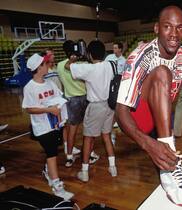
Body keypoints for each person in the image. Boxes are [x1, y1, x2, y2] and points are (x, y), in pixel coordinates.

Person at [116, 6, 182, 206]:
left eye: (180, 28)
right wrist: (148, 144)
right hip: (137, 119)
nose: (174, 34)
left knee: (168, 90)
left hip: (161, 118)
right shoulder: (140, 56)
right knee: (162, 73)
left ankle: (168, 164)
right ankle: (170, 165)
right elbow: (120, 111)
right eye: (168, 27)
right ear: (157, 28)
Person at [22, 53, 73, 200]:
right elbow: (29, 108)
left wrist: (59, 106)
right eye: (44, 64)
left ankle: (48, 171)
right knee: (52, 155)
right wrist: (48, 109)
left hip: (55, 124)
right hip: (42, 127)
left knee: (53, 152)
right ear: (39, 68)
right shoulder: (29, 88)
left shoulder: (50, 83)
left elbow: (58, 97)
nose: (48, 65)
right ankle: (57, 186)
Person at [66, 40, 118, 182]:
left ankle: (84, 171)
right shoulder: (109, 65)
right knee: (106, 135)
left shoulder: (88, 69)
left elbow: (68, 66)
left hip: (95, 107)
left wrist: (74, 58)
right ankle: (113, 168)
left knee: (88, 138)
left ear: (89, 54)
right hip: (109, 105)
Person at [57, 40, 99, 167]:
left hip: (70, 99)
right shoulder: (81, 64)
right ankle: (90, 153)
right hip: (85, 98)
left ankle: (69, 157)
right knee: (89, 129)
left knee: (72, 130)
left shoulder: (59, 65)